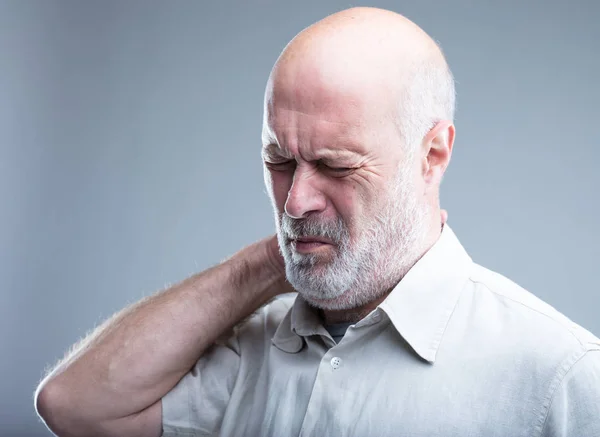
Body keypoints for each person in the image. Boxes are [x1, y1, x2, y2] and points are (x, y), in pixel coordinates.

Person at [35, 7, 600, 437]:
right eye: (279, 161)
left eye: (335, 165)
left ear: (432, 155)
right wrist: (264, 265)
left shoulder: (562, 377)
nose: (296, 201)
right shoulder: (246, 353)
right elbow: (72, 406)